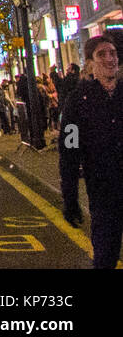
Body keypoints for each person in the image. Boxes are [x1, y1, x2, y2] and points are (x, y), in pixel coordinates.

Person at [60, 35, 123, 268]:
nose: (110, 59)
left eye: (113, 53)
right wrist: (70, 198)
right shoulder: (77, 102)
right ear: (89, 63)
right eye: (101, 55)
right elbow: (69, 153)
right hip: (104, 192)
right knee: (106, 254)